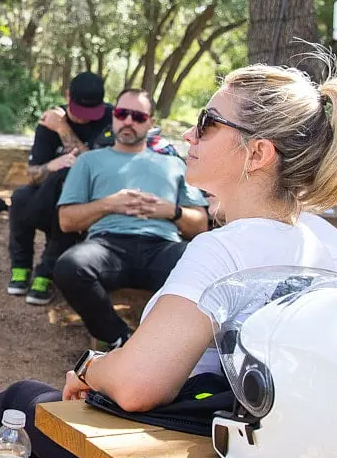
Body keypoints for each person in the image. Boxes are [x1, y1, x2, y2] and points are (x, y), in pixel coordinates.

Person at [0, 64, 337, 458]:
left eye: (209, 124)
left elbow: (136, 387)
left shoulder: (224, 250)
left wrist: (90, 366)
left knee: (30, 401)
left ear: (257, 154)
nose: (191, 135)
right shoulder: (329, 241)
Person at [39, 90, 210, 343]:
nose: (128, 121)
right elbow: (66, 220)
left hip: (162, 247)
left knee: (205, 265)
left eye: (138, 116)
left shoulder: (174, 164)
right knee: (69, 267)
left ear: (151, 122)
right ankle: (120, 338)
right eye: (121, 113)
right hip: (107, 245)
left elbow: (201, 226)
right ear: (113, 117)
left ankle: (175, 345)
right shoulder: (89, 161)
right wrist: (109, 204)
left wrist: (171, 211)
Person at [6, 72, 114, 299]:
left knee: (66, 185)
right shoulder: (48, 122)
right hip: (48, 194)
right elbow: (33, 175)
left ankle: (46, 272)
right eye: (80, 111)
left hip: (87, 201)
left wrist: (64, 129)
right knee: (20, 198)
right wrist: (53, 165)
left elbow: (98, 170)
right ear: (68, 95)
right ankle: (21, 267)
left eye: (91, 112)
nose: (85, 118)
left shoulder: (110, 119)